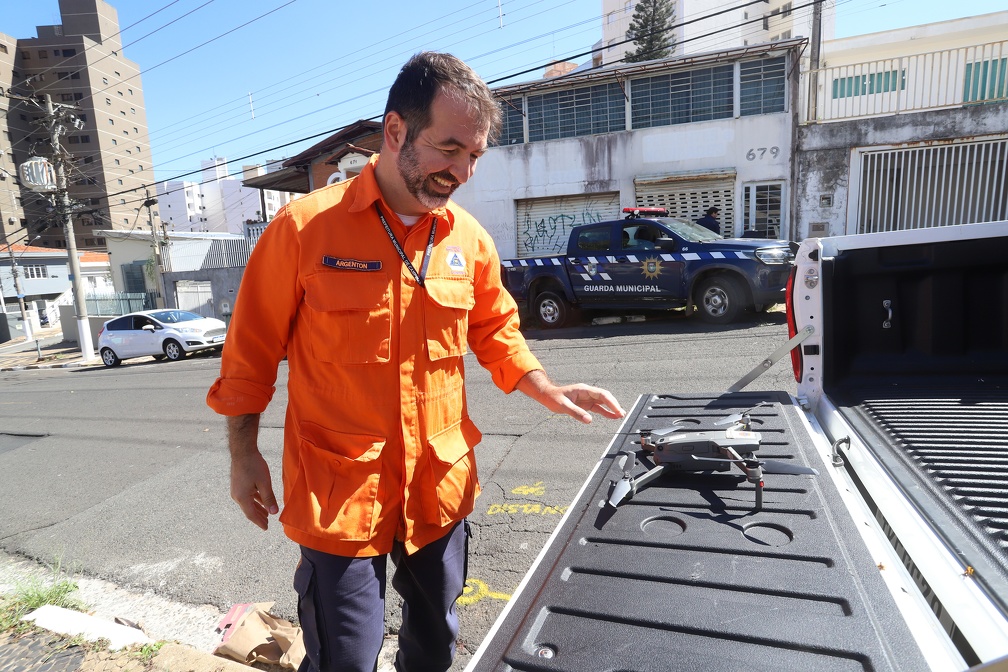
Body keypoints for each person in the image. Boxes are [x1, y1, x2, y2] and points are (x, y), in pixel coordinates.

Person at [206, 52, 625, 672]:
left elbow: (496, 329)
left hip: (437, 487)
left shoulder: (469, 240)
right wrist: (244, 455)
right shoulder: (304, 230)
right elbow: (250, 354)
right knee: (345, 659)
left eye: (475, 156)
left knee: (434, 650)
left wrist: (544, 385)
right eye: (449, 149)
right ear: (396, 129)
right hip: (341, 491)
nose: (462, 171)